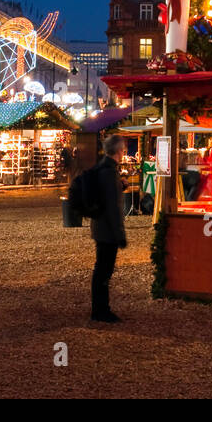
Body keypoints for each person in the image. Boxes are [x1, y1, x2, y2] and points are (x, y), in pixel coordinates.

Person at [88, 134, 128, 323]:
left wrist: (119, 186)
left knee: (101, 269)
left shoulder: (102, 168)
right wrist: (120, 234)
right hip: (107, 230)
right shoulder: (109, 172)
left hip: (99, 227)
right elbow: (113, 207)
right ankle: (100, 310)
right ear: (119, 151)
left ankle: (100, 308)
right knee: (104, 271)